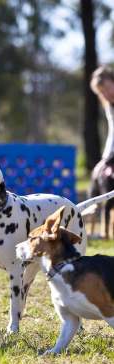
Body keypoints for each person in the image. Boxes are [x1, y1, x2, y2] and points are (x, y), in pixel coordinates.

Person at [89, 66, 114, 237]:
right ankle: (94, 209)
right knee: (99, 173)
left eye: (106, 88)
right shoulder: (109, 106)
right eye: (101, 92)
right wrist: (106, 158)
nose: (105, 94)